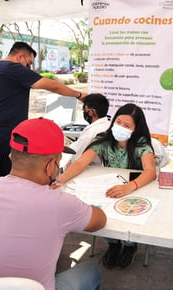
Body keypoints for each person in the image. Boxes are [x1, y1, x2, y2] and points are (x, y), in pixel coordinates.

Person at [0, 118, 107, 290]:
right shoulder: (60, 203)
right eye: (58, 162)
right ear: (49, 166)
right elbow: (99, 221)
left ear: (11, 156)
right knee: (91, 271)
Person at [55, 103, 157, 269]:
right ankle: (113, 244)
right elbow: (81, 163)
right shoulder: (104, 139)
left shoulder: (141, 144)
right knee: (103, 214)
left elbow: (151, 171)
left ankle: (130, 247)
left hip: (135, 188)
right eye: (118, 122)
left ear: (135, 128)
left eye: (127, 125)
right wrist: (60, 180)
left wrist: (130, 186)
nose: (120, 127)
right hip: (109, 187)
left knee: (128, 217)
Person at [0, 41, 86, 177]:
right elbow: (53, 86)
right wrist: (79, 95)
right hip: (7, 135)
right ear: (20, 57)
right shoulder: (13, 68)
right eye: (29, 63)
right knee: (13, 179)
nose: (29, 68)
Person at [62, 93, 110, 168]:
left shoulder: (91, 133)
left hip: (89, 170)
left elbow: (76, 158)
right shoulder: (108, 125)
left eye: (84, 109)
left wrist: (63, 171)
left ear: (91, 113)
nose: (84, 112)